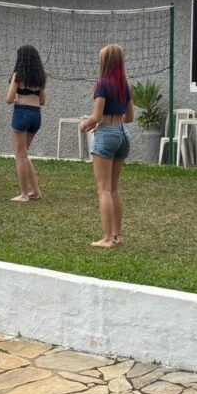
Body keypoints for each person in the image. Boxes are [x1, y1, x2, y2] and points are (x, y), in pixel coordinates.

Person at [80, 44, 133, 249]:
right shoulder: (125, 85)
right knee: (114, 188)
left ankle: (107, 238)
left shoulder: (102, 83)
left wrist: (85, 124)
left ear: (106, 61)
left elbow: (96, 116)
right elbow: (130, 117)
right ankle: (117, 235)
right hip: (122, 133)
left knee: (103, 189)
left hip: (107, 134)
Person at [6, 45, 46, 202]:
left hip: (21, 113)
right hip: (36, 115)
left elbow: (9, 99)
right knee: (24, 154)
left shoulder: (18, 75)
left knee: (20, 156)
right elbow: (42, 101)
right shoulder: (41, 77)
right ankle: (36, 192)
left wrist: (17, 95)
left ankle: (24, 194)